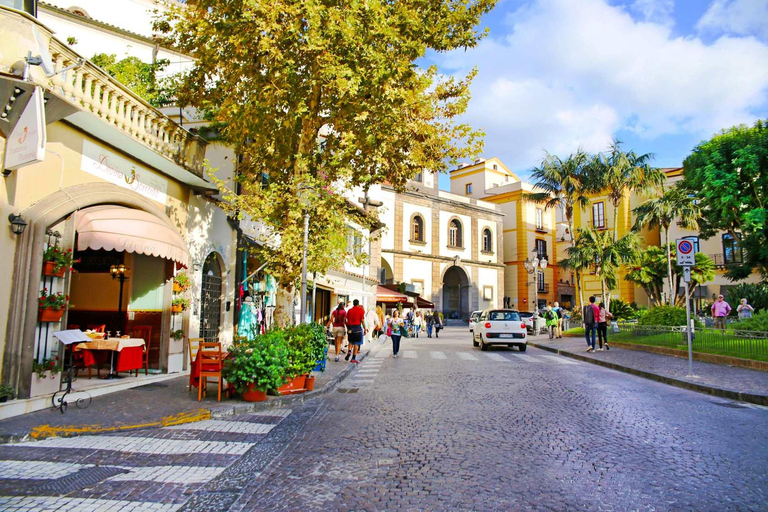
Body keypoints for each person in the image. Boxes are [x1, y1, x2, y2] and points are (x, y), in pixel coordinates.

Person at [345, 299, 367, 363]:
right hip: (357, 328)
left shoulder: (349, 311)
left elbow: (347, 319)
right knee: (356, 343)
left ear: (353, 303)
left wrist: (347, 326)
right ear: (358, 304)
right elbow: (362, 320)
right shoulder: (360, 311)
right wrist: (365, 328)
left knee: (351, 341)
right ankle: (353, 358)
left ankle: (349, 351)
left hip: (350, 328)